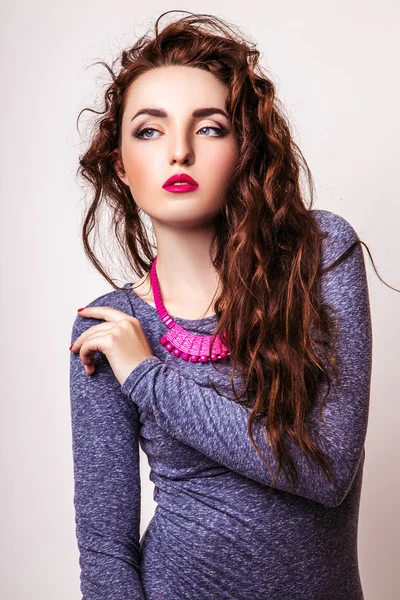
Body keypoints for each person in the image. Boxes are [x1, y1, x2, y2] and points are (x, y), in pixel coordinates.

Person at [69, 10, 396, 600]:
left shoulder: (319, 258)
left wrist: (150, 378)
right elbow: (105, 550)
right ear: (121, 164)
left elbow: (326, 471)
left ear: (244, 147)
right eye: (149, 130)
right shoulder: (110, 328)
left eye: (210, 127)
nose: (179, 153)